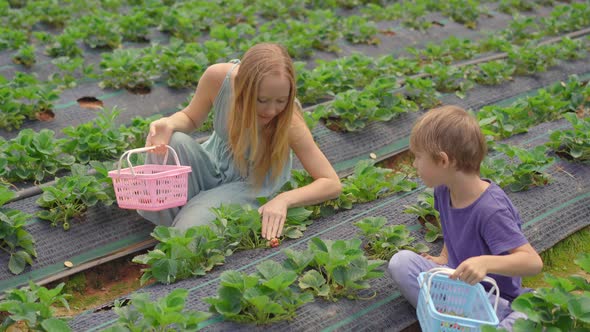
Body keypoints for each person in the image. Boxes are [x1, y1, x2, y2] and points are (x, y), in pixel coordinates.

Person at [139, 43, 342, 239]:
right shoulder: (218, 79)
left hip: (250, 184)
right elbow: (191, 118)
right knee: (172, 142)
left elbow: (331, 182)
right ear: (242, 88)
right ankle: (190, 214)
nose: (272, 111)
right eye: (262, 100)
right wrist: (169, 123)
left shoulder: (290, 122)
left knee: (188, 233)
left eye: (281, 101)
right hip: (211, 164)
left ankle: (189, 220)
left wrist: (284, 200)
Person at [387, 105, 543, 330]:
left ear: (443, 161)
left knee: (527, 316)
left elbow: (532, 262)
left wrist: (485, 262)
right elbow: (453, 231)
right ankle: (457, 322)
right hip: (457, 287)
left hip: (495, 301)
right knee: (401, 263)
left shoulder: (491, 210)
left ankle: (463, 322)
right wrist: (443, 257)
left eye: (418, 157)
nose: (414, 165)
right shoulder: (443, 190)